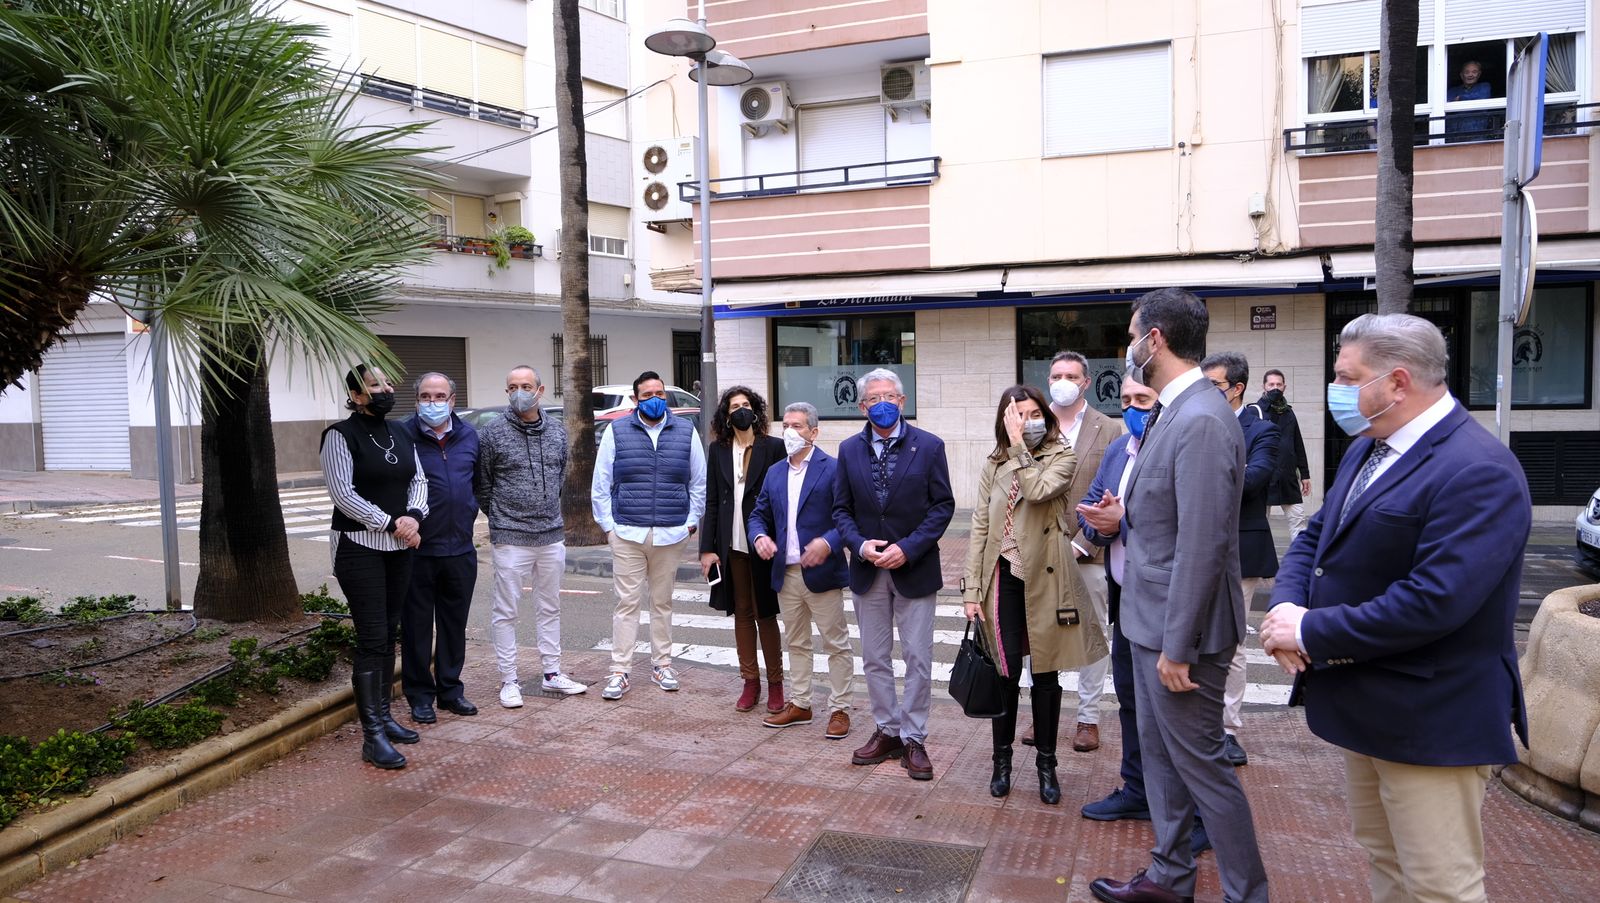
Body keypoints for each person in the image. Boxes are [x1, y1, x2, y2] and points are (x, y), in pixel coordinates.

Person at [1261, 313, 1531, 903]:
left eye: (1346, 377)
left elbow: (1434, 601)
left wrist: (1311, 630)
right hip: (1368, 704)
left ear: (1399, 382)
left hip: (1432, 718)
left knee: (1440, 885)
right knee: (1385, 861)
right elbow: (1316, 539)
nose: (1336, 391)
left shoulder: (1478, 469)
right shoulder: (1370, 447)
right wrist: (1286, 611)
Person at [1088, 289, 1268, 903]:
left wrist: (1179, 646)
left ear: (1155, 339)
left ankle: (1248, 893)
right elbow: (1166, 518)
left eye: (1132, 333)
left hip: (1178, 633)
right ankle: (1169, 877)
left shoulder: (1200, 418)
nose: (1129, 347)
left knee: (1204, 769)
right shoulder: (1174, 410)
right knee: (1163, 763)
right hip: (1147, 620)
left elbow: (1204, 544)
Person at [1077, 372, 1211, 856]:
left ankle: (1199, 816)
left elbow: (1189, 525)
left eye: (1143, 399)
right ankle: (1137, 790)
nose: (1133, 407)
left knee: (1178, 716)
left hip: (1170, 603)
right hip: (1125, 597)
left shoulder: (1180, 443)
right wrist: (1099, 524)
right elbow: (1090, 505)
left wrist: (1123, 521)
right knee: (1133, 702)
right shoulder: (1118, 450)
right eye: (1127, 399)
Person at [963, 385, 1108, 805]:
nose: (1026, 422)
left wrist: (1017, 449)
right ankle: (1001, 764)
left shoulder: (1062, 455)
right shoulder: (993, 464)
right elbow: (979, 528)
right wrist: (972, 588)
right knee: (1005, 673)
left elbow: (1040, 491)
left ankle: (1047, 765)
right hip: (1002, 575)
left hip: (1046, 578)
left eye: (1032, 414)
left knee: (1046, 674)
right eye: (1017, 415)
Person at [833, 367, 954, 781]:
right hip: (867, 570)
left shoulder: (930, 446)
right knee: (874, 658)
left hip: (914, 568)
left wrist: (908, 547)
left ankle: (914, 737)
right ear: (862, 405)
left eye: (889, 397)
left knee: (919, 659)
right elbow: (841, 509)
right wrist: (859, 545)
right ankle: (887, 731)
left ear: (902, 402)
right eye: (873, 398)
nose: (881, 404)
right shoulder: (848, 450)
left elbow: (942, 506)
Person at [320, 365, 428, 770]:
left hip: (400, 545)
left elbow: (418, 480)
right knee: (372, 637)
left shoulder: (400, 432)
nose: (385, 389)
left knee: (390, 632)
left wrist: (414, 516)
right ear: (356, 394)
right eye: (373, 385)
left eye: (386, 383)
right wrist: (391, 523)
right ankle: (372, 736)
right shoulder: (339, 436)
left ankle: (384, 716)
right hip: (358, 546)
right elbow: (342, 493)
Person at [1022, 350, 1123, 753]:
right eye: (1056, 374)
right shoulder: (1032, 424)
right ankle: (1041, 714)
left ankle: (1088, 717)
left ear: (1086, 382)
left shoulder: (1109, 429)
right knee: (1038, 635)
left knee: (1093, 635)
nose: (1063, 380)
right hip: (1038, 553)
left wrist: (1083, 543)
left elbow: (1115, 492)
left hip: (1090, 552)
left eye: (1071, 375)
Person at [592, 370, 707, 700]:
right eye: (647, 395)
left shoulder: (685, 430)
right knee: (626, 604)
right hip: (627, 532)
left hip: (671, 534)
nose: (655, 400)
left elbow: (698, 481)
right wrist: (608, 528)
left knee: (662, 602)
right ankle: (619, 671)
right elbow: (601, 482)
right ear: (635, 399)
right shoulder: (617, 431)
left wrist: (690, 521)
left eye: (659, 393)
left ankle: (662, 664)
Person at [476, 365, 584, 708]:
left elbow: (560, 475)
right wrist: (501, 518)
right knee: (506, 611)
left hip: (551, 535)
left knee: (549, 607)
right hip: (510, 537)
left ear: (540, 390)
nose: (519, 391)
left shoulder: (557, 431)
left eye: (525, 385)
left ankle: (552, 674)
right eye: (512, 387)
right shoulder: (491, 434)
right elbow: (482, 484)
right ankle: (509, 680)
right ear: (506, 392)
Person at [748, 402, 855, 739]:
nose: (790, 432)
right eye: (786, 426)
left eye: (797, 426)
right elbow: (757, 514)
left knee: (835, 644)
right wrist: (759, 536)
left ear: (814, 432)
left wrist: (828, 542)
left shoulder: (833, 468)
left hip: (822, 572)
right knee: (796, 642)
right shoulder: (775, 471)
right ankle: (801, 704)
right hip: (786, 573)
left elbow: (847, 518)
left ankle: (840, 709)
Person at [1202, 352, 1281, 769]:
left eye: (1213, 386)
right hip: (1193, 546)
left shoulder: (1261, 429)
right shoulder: (1194, 422)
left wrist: (1203, 474)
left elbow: (1255, 479)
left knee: (1231, 644)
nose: (1206, 393)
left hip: (1240, 549)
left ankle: (1228, 729)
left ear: (1237, 388)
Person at [699, 386, 787, 714]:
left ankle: (776, 683)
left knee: (766, 612)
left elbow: (781, 497)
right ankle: (750, 682)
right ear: (726, 415)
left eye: (746, 405)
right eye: (734, 406)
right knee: (741, 613)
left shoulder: (773, 448)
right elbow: (711, 501)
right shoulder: (718, 450)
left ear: (756, 410)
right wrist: (707, 549)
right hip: (731, 545)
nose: (740, 410)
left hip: (763, 545)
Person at [400, 372, 481, 724]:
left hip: (461, 549)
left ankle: (450, 690)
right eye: (425, 396)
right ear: (416, 399)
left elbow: (478, 483)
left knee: (453, 626)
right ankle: (419, 695)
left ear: (452, 400)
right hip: (417, 550)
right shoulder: (402, 435)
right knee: (417, 627)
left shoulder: (469, 435)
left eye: (440, 396)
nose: (432, 402)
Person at [1258, 369, 1311, 540]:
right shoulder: (1256, 411)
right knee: (1259, 523)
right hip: (1263, 476)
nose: (1275, 388)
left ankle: (1300, 561)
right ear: (1264, 387)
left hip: (1287, 476)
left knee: (1298, 520)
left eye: (1278, 384)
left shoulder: (1289, 412)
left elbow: (1298, 443)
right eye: (1271, 384)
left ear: (1284, 387)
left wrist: (1305, 474)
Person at [1445, 60, 1493, 140]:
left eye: (1474, 72)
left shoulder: (1484, 87)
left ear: (1479, 74)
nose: (1470, 75)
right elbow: (1444, 103)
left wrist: (1460, 99)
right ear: (1461, 75)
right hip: (1454, 137)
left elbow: (1481, 97)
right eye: (1466, 72)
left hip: (1478, 136)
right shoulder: (1452, 91)